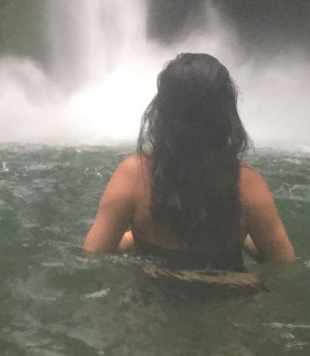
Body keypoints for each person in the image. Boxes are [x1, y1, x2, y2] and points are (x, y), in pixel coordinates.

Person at [83, 53, 295, 273]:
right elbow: (284, 263)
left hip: (152, 289)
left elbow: (94, 253)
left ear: (162, 110)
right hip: (231, 290)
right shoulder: (246, 183)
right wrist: (244, 238)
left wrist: (130, 239)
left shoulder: (134, 174)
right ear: (224, 112)